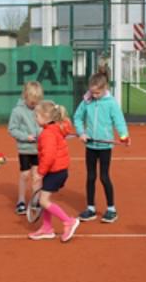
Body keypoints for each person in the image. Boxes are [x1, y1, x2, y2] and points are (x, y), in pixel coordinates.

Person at [73, 72, 130, 223]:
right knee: (90, 177)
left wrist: (124, 136)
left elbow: (119, 121)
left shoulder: (111, 103)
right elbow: (78, 118)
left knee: (104, 177)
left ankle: (111, 209)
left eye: (97, 92)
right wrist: (81, 132)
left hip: (105, 146)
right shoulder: (86, 101)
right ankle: (90, 208)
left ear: (105, 88)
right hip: (90, 145)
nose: (95, 95)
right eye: (92, 92)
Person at [30, 100, 80, 242]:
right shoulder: (57, 127)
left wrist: (39, 173)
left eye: (37, 116)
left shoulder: (47, 134)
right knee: (45, 199)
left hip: (55, 171)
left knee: (43, 200)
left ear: (46, 117)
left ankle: (68, 221)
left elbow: (49, 156)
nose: (35, 119)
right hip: (58, 170)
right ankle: (47, 228)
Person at [7, 81, 44, 215]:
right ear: (25, 96)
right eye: (32, 101)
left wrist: (43, 134)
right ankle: (21, 200)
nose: (34, 104)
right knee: (25, 174)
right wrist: (25, 137)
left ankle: (35, 200)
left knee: (37, 176)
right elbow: (12, 129)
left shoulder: (41, 109)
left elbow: (45, 125)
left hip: (38, 149)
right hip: (25, 149)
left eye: (36, 101)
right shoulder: (17, 111)